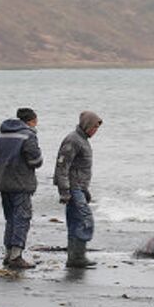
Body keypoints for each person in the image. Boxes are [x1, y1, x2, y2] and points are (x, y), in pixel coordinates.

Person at [0, 107, 43, 270]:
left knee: (10, 218)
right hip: (20, 183)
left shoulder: (0, 135)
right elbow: (36, 161)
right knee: (22, 218)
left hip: (2, 183)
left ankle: (8, 253)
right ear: (31, 121)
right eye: (36, 121)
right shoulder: (28, 135)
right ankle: (16, 255)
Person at [53, 110, 102, 269]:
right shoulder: (73, 140)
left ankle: (74, 258)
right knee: (85, 220)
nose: (95, 131)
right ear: (87, 125)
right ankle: (78, 256)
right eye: (94, 127)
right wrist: (65, 191)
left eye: (97, 128)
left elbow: (79, 169)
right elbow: (62, 166)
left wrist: (85, 190)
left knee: (75, 222)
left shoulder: (83, 140)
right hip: (73, 188)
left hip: (79, 188)